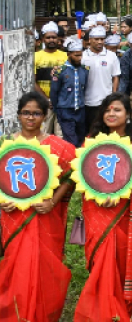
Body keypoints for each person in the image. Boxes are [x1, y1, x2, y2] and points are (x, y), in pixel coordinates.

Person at [74, 93, 132, 322]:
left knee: (123, 263)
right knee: (101, 260)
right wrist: (99, 196)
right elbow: (84, 176)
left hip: (128, 214)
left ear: (129, 114)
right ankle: (97, 313)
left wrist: (126, 194)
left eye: (117, 110)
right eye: (107, 110)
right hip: (98, 212)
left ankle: (122, 311)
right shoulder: (91, 142)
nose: (111, 114)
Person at [0, 92, 76, 322]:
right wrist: (3, 201)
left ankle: (42, 313)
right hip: (13, 217)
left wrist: (52, 201)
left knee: (44, 267)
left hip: (44, 217)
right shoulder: (7, 145)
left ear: (44, 116)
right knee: (16, 266)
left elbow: (72, 175)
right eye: (26, 113)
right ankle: (15, 313)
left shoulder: (57, 146)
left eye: (36, 113)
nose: (30, 117)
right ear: (18, 115)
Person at [82, 26, 121, 134]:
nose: (100, 42)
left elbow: (116, 76)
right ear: (90, 40)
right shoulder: (83, 56)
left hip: (106, 100)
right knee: (90, 131)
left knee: (106, 130)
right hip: (88, 101)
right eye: (96, 39)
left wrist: (113, 95)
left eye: (102, 39)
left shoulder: (112, 56)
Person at [51, 38, 88, 147]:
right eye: (76, 55)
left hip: (80, 109)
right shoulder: (59, 71)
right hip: (65, 110)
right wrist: (56, 108)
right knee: (71, 140)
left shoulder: (85, 70)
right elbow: (54, 91)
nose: (79, 58)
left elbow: (84, 88)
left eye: (81, 55)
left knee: (81, 138)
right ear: (69, 54)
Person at [34, 22, 66, 135]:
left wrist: (58, 99)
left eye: (54, 37)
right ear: (43, 39)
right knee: (43, 134)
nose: (51, 40)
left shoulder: (65, 56)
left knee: (60, 135)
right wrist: (46, 100)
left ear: (58, 39)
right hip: (43, 102)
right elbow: (33, 81)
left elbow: (68, 80)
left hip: (62, 103)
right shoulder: (36, 56)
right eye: (48, 37)